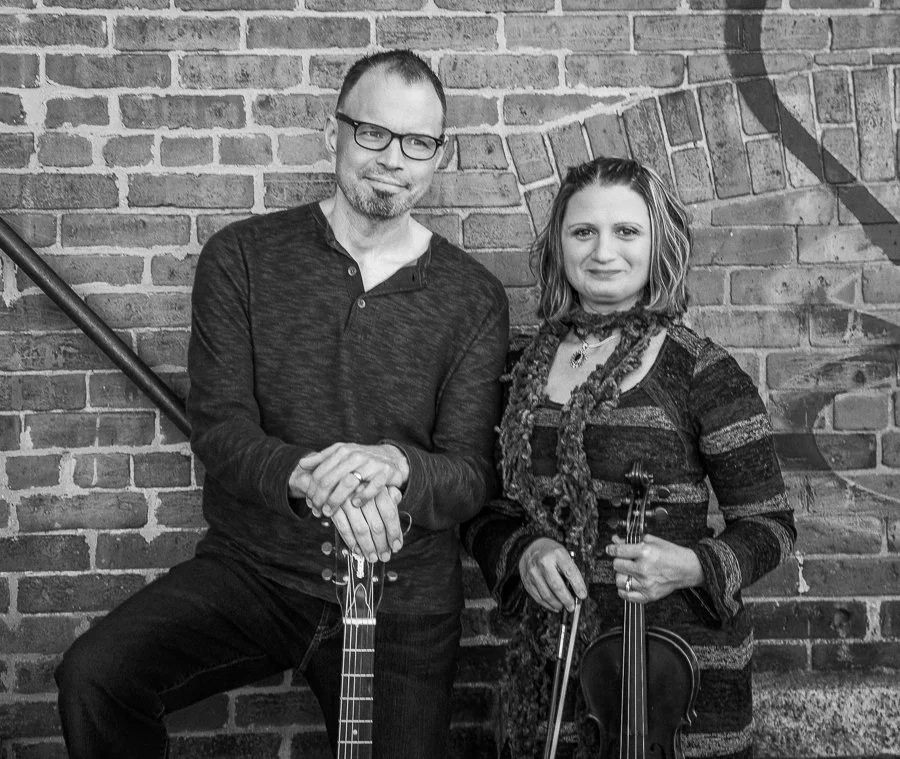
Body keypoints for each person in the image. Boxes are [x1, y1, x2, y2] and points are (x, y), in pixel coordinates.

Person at [55, 49, 509, 759]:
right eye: (374, 133)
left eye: (418, 142)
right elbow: (221, 431)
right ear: (335, 132)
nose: (394, 158)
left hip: (402, 597)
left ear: (438, 159)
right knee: (96, 677)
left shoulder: (474, 296)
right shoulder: (242, 258)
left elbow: (468, 475)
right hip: (257, 571)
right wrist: (311, 476)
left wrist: (392, 465)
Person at [462, 156, 795, 758]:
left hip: (677, 683)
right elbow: (484, 510)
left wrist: (691, 565)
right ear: (559, 244)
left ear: (656, 244)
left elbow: (772, 527)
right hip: (553, 677)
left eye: (627, 231)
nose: (603, 251)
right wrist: (525, 550)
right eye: (583, 231)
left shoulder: (700, 371)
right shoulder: (515, 371)